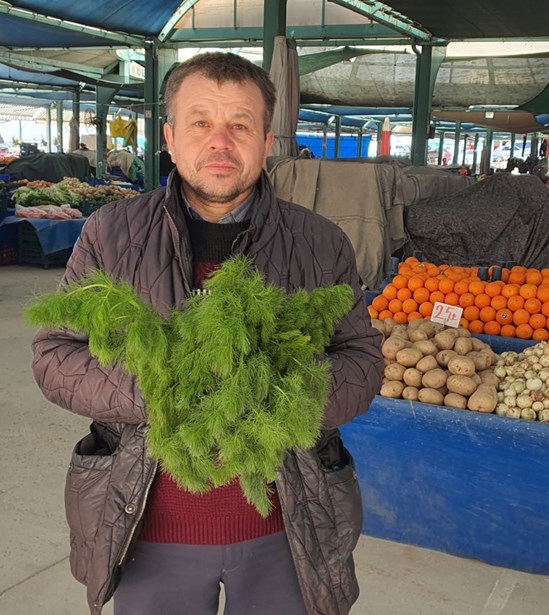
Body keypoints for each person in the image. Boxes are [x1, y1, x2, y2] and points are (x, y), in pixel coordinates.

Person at [31, 52, 383, 615]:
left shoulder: (320, 242)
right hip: (146, 527)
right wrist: (162, 391)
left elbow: (362, 360)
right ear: (170, 138)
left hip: (287, 530)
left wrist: (275, 397)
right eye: (201, 123)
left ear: (267, 141)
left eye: (240, 125)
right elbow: (54, 354)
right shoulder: (110, 233)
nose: (220, 142)